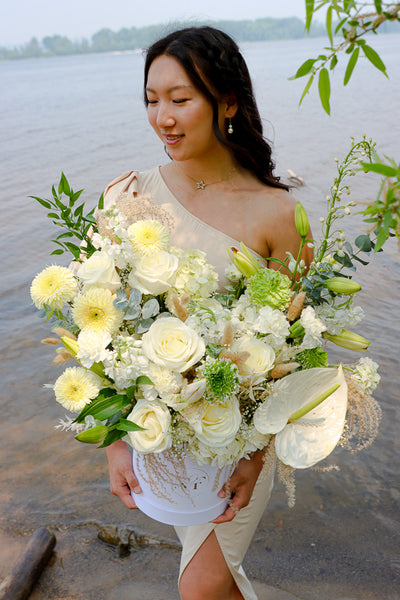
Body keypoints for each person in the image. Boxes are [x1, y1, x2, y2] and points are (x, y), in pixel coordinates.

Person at [104, 26, 312, 600]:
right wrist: (116, 443)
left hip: (238, 440)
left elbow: (293, 352)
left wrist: (258, 454)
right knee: (216, 584)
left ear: (226, 102)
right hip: (162, 441)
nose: (161, 118)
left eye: (179, 99)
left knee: (200, 586)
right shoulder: (126, 198)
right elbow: (96, 331)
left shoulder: (277, 213)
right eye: (151, 100)